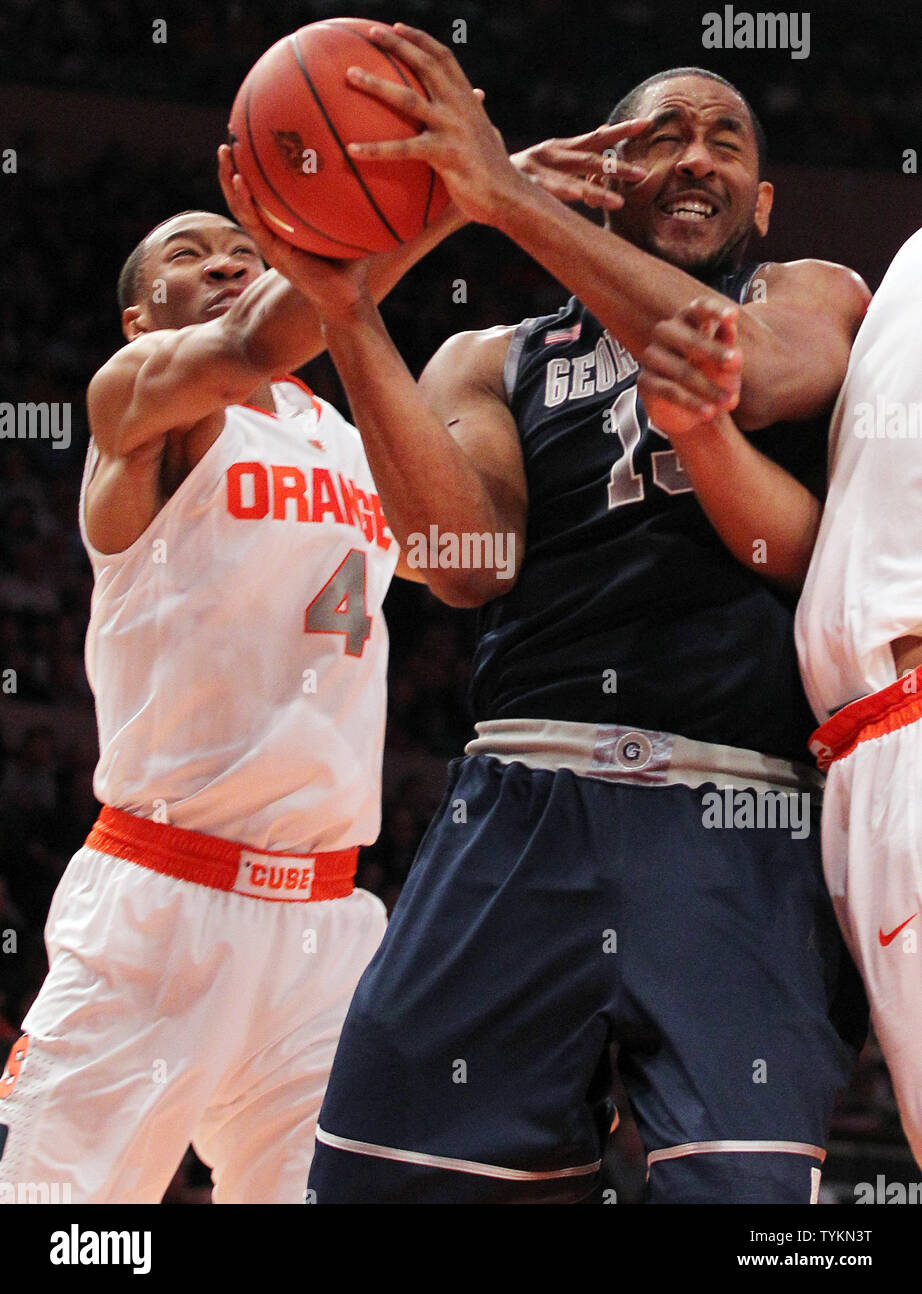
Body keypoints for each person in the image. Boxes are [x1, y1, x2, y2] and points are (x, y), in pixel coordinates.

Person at [221, 25, 871, 1203]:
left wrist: (505, 200)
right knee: (382, 1187)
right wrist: (349, 312)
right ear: (607, 171)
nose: (695, 157)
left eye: (725, 141)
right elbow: (461, 563)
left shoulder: (811, 292)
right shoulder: (489, 356)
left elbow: (752, 369)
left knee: (752, 1208)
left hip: (738, 811)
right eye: (662, 135)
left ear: (764, 201)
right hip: (523, 796)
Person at [0, 125, 628, 1203]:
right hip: (162, 900)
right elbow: (259, 339)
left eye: (242, 251)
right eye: (189, 255)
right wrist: (459, 195)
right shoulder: (136, 402)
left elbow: (464, 562)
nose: (225, 263)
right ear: (138, 317)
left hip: (326, 921)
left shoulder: (347, 434)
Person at [639, 227, 922, 1167]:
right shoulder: (908, 265)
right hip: (865, 747)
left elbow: (742, 363)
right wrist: (703, 433)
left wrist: (505, 201)